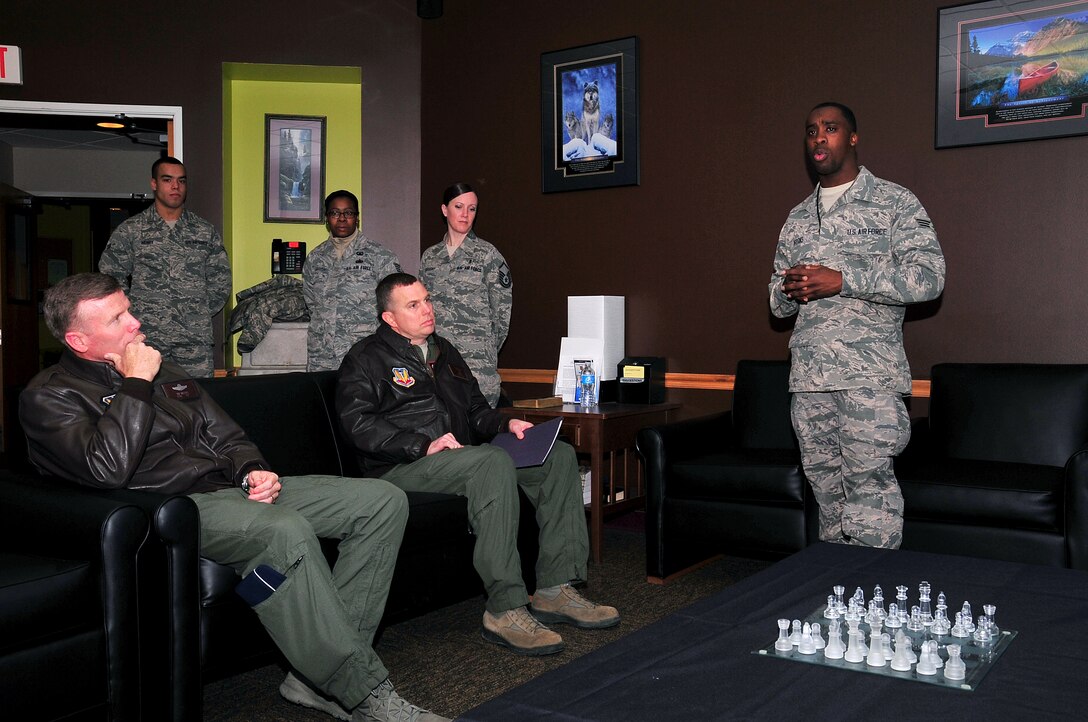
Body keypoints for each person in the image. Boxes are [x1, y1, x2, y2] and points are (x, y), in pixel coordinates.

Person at [19, 273, 447, 722]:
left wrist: (252, 469)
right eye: (118, 318)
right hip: (175, 509)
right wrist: (136, 384)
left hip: (232, 489)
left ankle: (317, 675)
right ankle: (360, 690)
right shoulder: (51, 396)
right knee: (284, 533)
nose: (135, 324)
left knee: (381, 501)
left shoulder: (165, 371)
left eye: (130, 309)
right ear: (77, 339)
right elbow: (107, 468)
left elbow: (227, 434)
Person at [336, 272, 619, 656]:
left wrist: (506, 423)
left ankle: (554, 589)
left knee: (558, 455)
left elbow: (475, 411)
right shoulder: (365, 358)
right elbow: (358, 425)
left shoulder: (444, 350)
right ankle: (504, 608)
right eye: (414, 305)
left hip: (462, 460)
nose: (427, 310)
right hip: (402, 468)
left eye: (427, 300)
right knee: (489, 463)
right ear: (389, 318)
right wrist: (422, 445)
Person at [769, 102, 946, 550]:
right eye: (811, 131)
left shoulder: (894, 202)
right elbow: (775, 305)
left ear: (852, 138)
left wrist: (844, 281)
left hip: (870, 378)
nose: (818, 139)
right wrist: (790, 289)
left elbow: (929, 278)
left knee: (871, 496)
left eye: (830, 129)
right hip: (810, 381)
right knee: (827, 499)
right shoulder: (797, 217)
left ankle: (875, 594)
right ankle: (836, 596)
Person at [99, 156, 230, 378]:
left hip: (193, 341)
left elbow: (221, 280)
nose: (176, 186)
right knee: (147, 400)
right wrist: (134, 313)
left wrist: (196, 311)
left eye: (181, 180)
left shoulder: (204, 231)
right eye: (168, 179)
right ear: (154, 184)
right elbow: (111, 275)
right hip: (147, 339)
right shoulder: (132, 229)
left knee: (196, 403)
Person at [419, 183, 511, 405]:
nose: (465, 214)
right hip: (438, 364)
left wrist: (483, 349)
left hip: (477, 364)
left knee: (479, 431)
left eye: (472, 209)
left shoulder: (488, 255)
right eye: (459, 206)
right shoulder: (431, 257)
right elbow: (423, 308)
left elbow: (502, 316)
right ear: (444, 210)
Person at [304, 190, 402, 372]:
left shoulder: (380, 256)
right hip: (321, 354)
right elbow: (312, 303)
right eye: (334, 213)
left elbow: (395, 304)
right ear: (327, 218)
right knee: (322, 400)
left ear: (357, 218)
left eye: (348, 213)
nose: (341, 218)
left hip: (363, 352)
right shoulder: (315, 258)